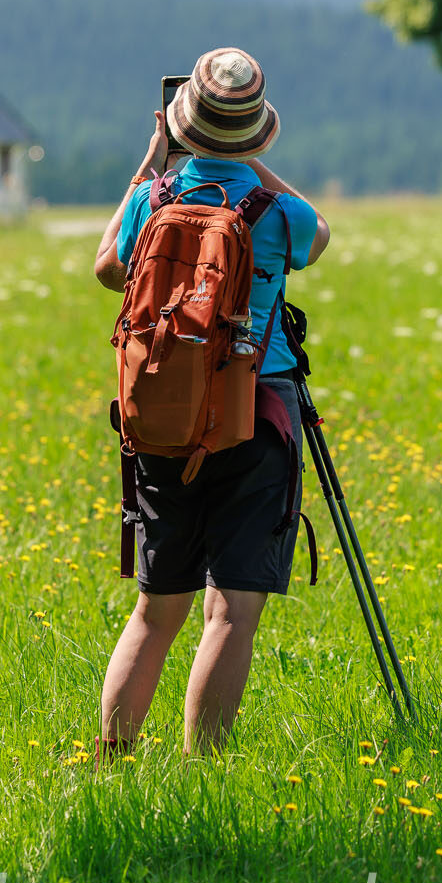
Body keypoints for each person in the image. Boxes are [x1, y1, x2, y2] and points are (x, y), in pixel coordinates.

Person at [91, 47, 330, 754]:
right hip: (259, 416)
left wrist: (154, 162)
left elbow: (108, 269)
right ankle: (206, 776)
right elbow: (320, 234)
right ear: (255, 133)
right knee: (230, 613)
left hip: (165, 417)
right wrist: (250, 162)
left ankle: (113, 761)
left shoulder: (152, 198)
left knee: (154, 612)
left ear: (182, 122)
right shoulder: (278, 211)